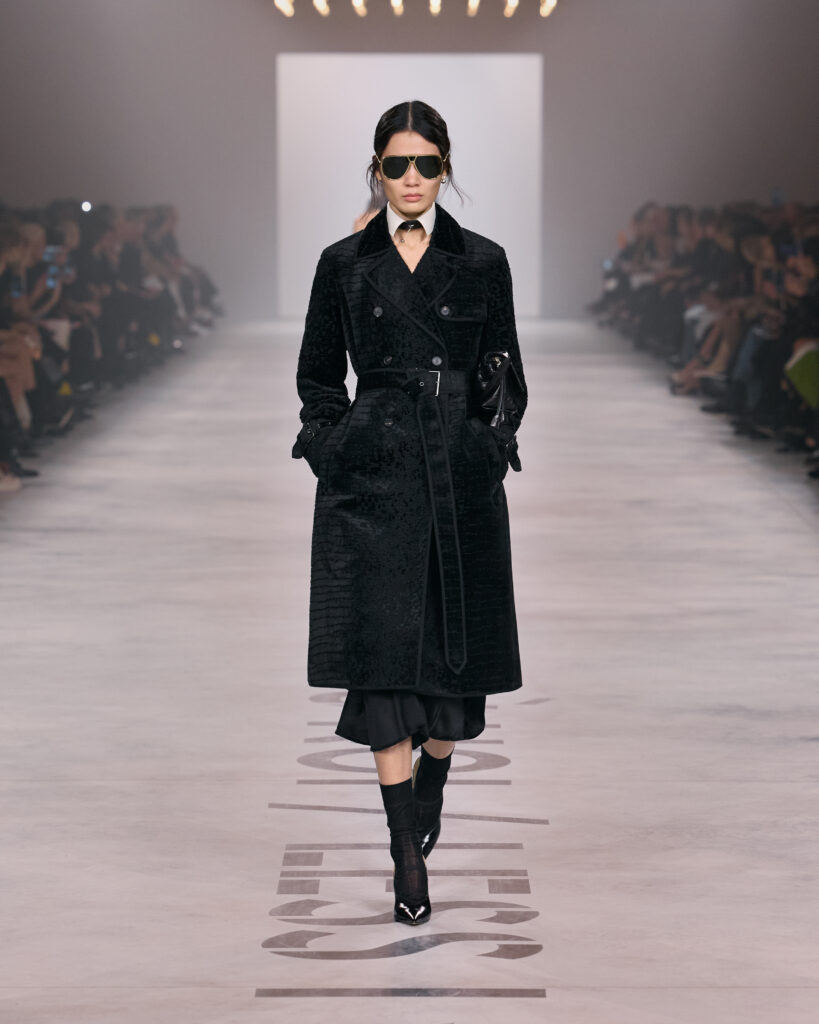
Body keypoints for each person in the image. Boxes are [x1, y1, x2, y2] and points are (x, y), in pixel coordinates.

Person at [291, 99, 528, 926]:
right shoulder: (343, 264)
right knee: (384, 669)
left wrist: (488, 446)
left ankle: (431, 787)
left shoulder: (482, 260)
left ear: (445, 168)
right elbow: (318, 374)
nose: (413, 178)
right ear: (377, 171)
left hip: (458, 482)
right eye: (397, 165)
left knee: (455, 680)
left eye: (427, 164)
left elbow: (506, 370)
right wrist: (335, 445)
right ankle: (403, 850)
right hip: (374, 484)